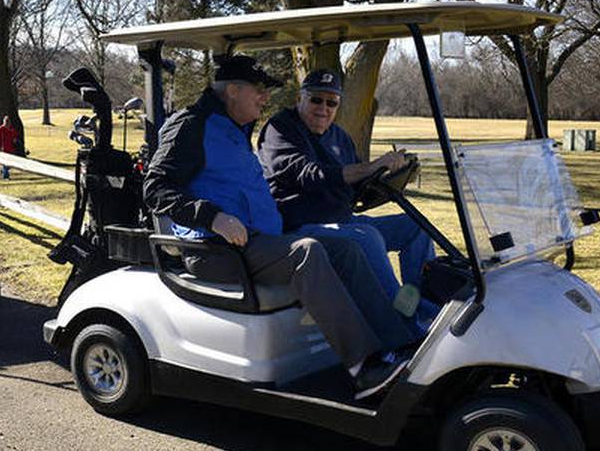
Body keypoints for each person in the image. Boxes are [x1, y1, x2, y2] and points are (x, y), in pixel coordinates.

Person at [144, 55, 419, 400]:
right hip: (216, 248)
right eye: (258, 91)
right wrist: (211, 216)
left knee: (349, 247)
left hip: (256, 242)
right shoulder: (191, 125)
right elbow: (155, 189)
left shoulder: (232, 126)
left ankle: (400, 348)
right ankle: (363, 368)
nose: (265, 99)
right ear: (232, 90)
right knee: (307, 252)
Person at [257, 69, 439, 327]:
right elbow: (310, 175)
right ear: (301, 98)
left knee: (415, 226)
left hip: (343, 221)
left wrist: (394, 176)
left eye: (332, 102)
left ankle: (426, 310)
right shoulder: (281, 129)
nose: (324, 108)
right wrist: (373, 166)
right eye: (316, 100)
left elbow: (358, 186)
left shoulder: (339, 137)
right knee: (367, 236)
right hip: (299, 228)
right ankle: (399, 325)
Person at [0, 115, 20, 179]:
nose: (7, 123)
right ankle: (6, 176)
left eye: (8, 122)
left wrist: (15, 141)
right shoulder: (1, 129)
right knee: (5, 163)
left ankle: (3, 170)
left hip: (10, 149)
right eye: (6, 122)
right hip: (3, 149)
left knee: (10, 163)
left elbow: (14, 138)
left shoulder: (12, 130)